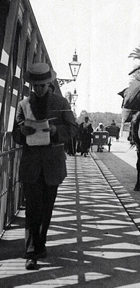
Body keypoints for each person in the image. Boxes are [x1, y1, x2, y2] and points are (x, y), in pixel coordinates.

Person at [12, 63, 77, 270]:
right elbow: (15, 135)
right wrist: (23, 132)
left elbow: (73, 129)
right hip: (31, 164)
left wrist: (54, 130)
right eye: (35, 86)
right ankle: (30, 252)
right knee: (32, 209)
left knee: (46, 209)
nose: (38, 89)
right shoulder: (23, 105)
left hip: (52, 165)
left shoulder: (61, 103)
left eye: (42, 85)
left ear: (49, 83)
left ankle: (40, 245)